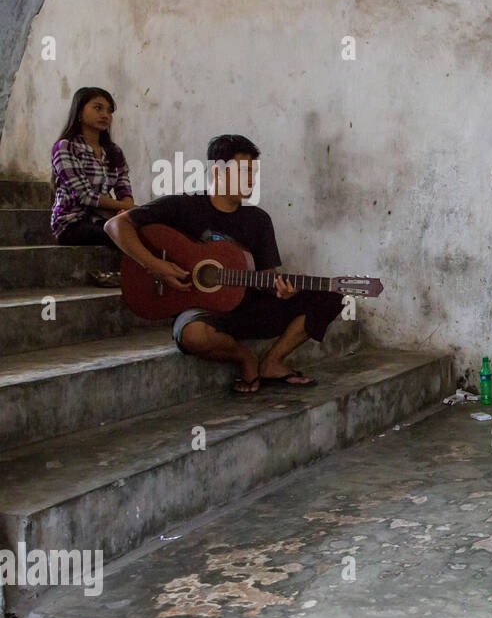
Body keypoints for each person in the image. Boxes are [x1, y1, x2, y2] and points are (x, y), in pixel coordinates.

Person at [105, 134, 344, 394]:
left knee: (329, 296)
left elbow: (265, 277)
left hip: (248, 309)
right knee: (191, 335)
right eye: (244, 171)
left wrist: (280, 289)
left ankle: (272, 362)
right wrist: (154, 265)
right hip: (205, 310)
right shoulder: (183, 206)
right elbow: (115, 224)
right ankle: (245, 358)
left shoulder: (258, 220)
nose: (252, 179)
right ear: (218, 171)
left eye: (254, 172)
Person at [50, 86, 135, 285]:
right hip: (72, 223)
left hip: (104, 217)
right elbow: (84, 196)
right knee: (124, 233)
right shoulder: (65, 147)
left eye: (109, 111)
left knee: (150, 227)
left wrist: (126, 206)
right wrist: (128, 209)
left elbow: (123, 185)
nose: (105, 115)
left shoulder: (113, 151)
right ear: (79, 112)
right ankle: (124, 278)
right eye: (98, 108)